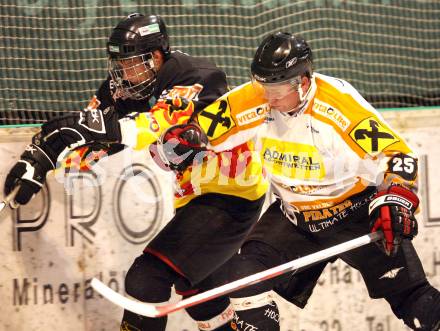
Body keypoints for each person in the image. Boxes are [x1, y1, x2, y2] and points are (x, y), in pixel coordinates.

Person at [2, 13, 269, 331]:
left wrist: (89, 129)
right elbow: (90, 134)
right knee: (200, 293)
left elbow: (149, 126)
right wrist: (44, 157)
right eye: (118, 64)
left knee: (146, 280)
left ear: (155, 57)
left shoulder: (197, 77)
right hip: (194, 197)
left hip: (233, 195)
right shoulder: (129, 86)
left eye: (130, 63)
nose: (122, 73)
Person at [216, 32, 439, 331]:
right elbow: (200, 129)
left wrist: (396, 196)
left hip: (354, 212)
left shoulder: (338, 104)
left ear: (303, 82)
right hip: (294, 217)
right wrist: (179, 143)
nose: (268, 97)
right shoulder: (255, 98)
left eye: (278, 89)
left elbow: (398, 155)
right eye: (262, 86)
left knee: (417, 304)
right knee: (242, 280)